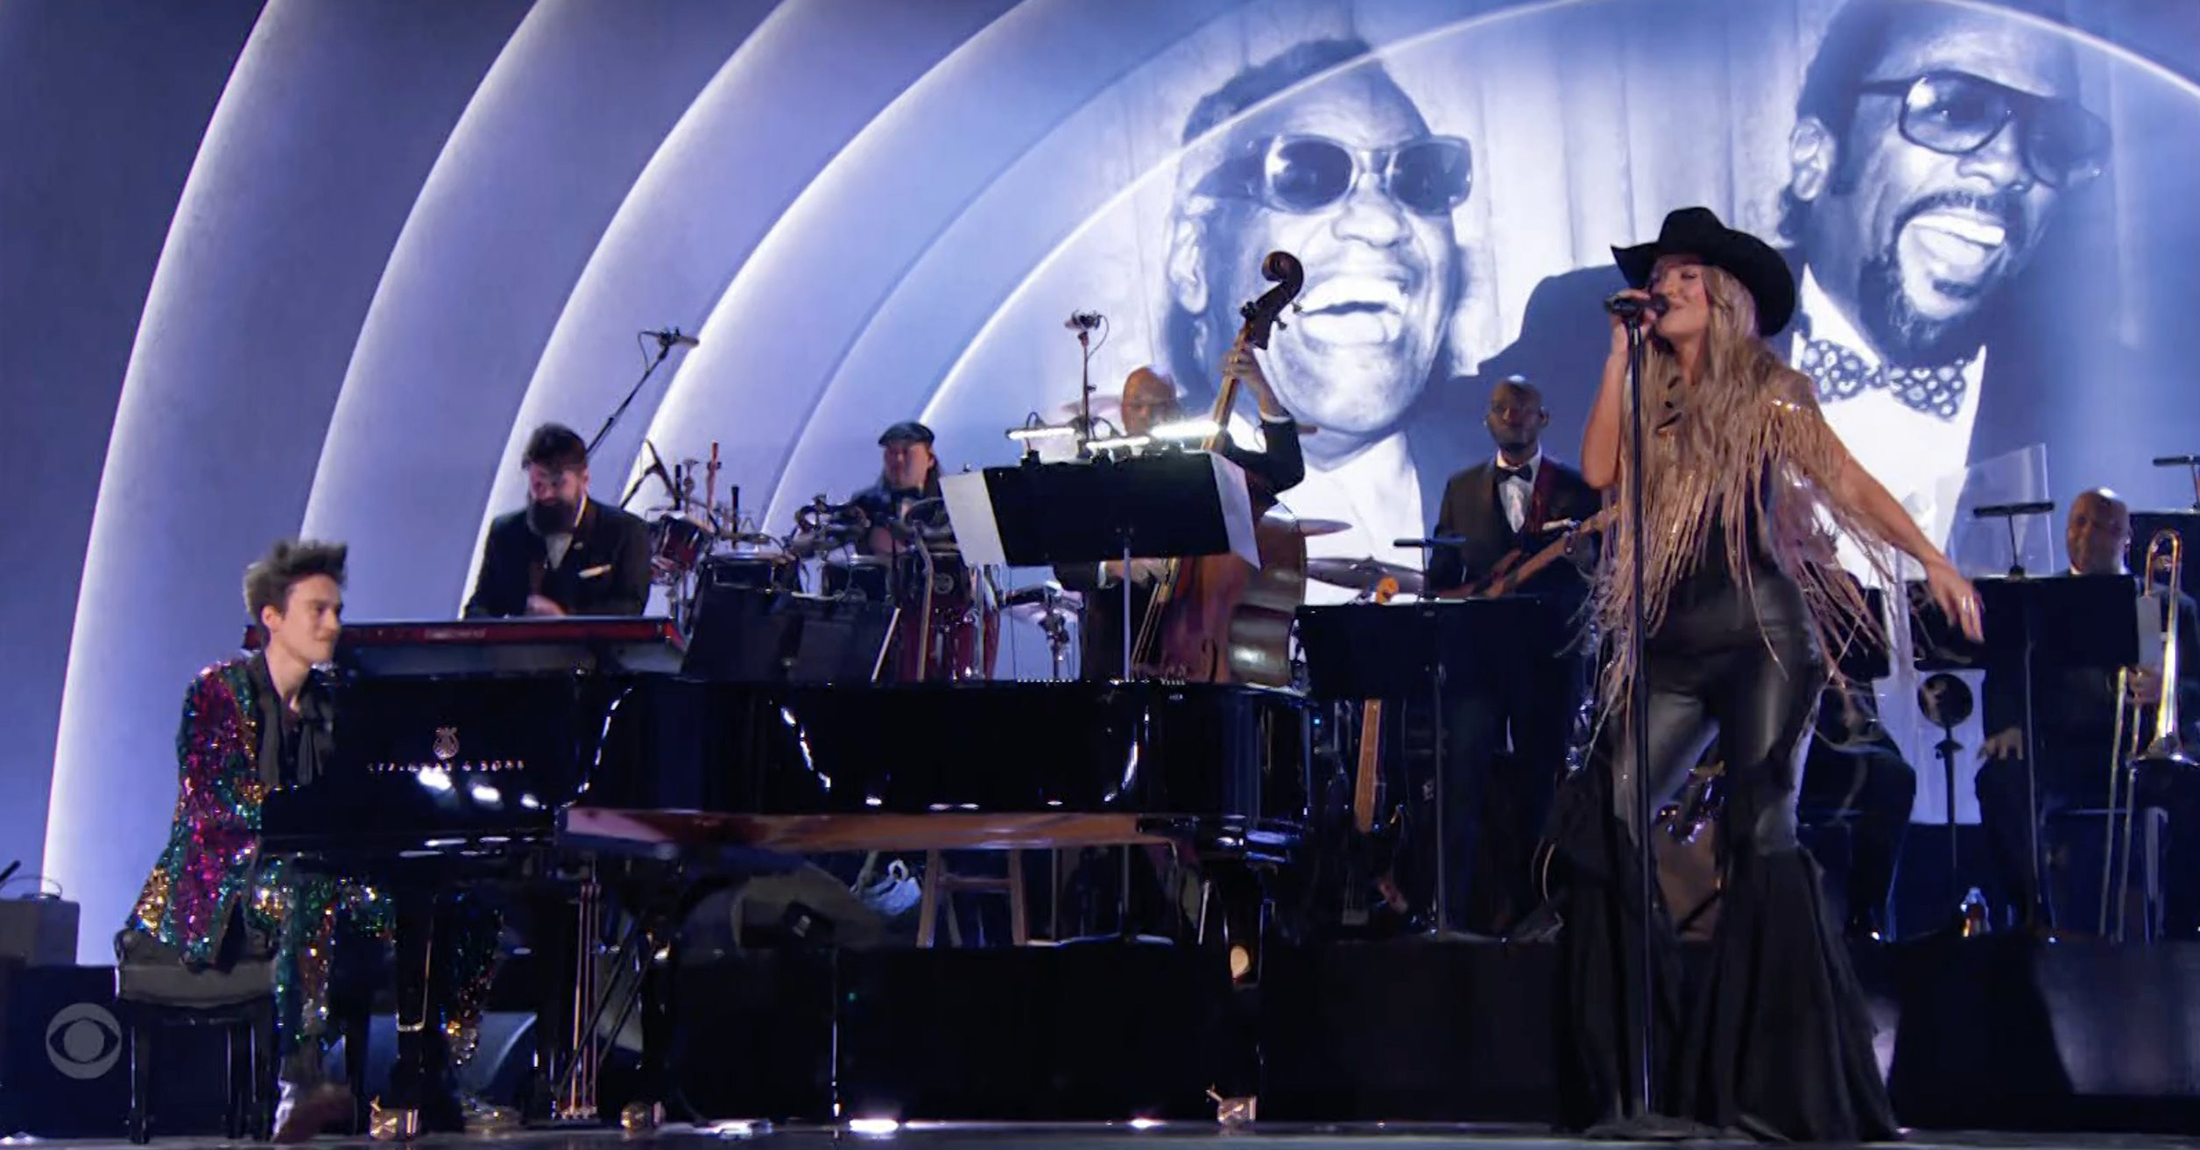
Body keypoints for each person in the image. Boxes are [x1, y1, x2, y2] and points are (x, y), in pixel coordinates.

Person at [1553, 206, 1980, 1139]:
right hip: (1668, 638)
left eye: (1685, 277)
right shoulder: (1645, 386)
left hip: (1762, 635)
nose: (1665, 289)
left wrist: (1933, 561)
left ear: (1726, 296)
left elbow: (1848, 482)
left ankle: (1781, 1090)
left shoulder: (1772, 390)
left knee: (1760, 831)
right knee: (1608, 815)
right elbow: (1595, 470)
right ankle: (1639, 1079)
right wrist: (1619, 355)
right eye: (1658, 277)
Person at [122, 540, 496, 1140]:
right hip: (226, 883)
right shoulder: (217, 693)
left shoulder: (334, 702)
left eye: (337, 610)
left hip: (312, 870)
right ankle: (299, 1080)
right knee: (309, 888)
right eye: (317, 610)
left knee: (457, 906)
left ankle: (438, 1076)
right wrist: (300, 815)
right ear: (272, 618)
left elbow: (358, 797)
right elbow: (213, 803)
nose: (334, 624)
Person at [1164, 37, 1473, 583]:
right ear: (1193, 258)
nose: (1380, 223)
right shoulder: (1160, 473)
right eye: (1306, 174)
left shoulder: (1492, 470)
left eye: (1420, 177)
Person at [1973, 488, 2200, 935]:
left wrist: (2168, 689)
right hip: (2060, 754)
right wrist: (2007, 725)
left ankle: (2183, 927)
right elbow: (2003, 672)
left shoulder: (2174, 604)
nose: (2088, 535)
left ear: (2126, 536)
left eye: (2103, 526)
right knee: (1999, 780)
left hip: (2143, 753)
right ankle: (2032, 915)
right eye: (2079, 522)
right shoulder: (2036, 601)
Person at [1425, 376, 1600, 934]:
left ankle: (1536, 916)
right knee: (1462, 788)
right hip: (1477, 664)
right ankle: (1452, 916)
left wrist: (1583, 555)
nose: (1513, 417)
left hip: (1548, 663)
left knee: (1537, 791)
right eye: (1502, 407)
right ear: (1488, 419)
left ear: (1543, 420)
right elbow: (1440, 580)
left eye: (1524, 409)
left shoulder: (1577, 489)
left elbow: (1603, 575)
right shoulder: (1458, 488)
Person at [1059, 354, 1303, 681]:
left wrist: (1264, 393)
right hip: (1113, 657)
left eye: (1160, 407)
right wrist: (1117, 567)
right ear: (1121, 409)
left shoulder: (1207, 451)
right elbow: (1066, 565)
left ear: (1176, 410)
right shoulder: (1095, 466)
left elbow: (1284, 470)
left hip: (1195, 652)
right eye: (1137, 406)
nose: (1148, 416)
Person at [849, 420, 996, 682]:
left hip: (949, 606)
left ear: (929, 458)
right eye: (891, 453)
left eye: (907, 451)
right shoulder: (867, 504)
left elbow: (980, 550)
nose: (897, 459)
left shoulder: (953, 502)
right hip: (880, 612)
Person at [465, 423, 652, 618]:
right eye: (538, 484)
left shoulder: (626, 532)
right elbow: (482, 604)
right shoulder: (506, 532)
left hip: (592, 648)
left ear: (584, 480)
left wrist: (564, 620)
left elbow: (629, 609)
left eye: (557, 483)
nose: (546, 493)